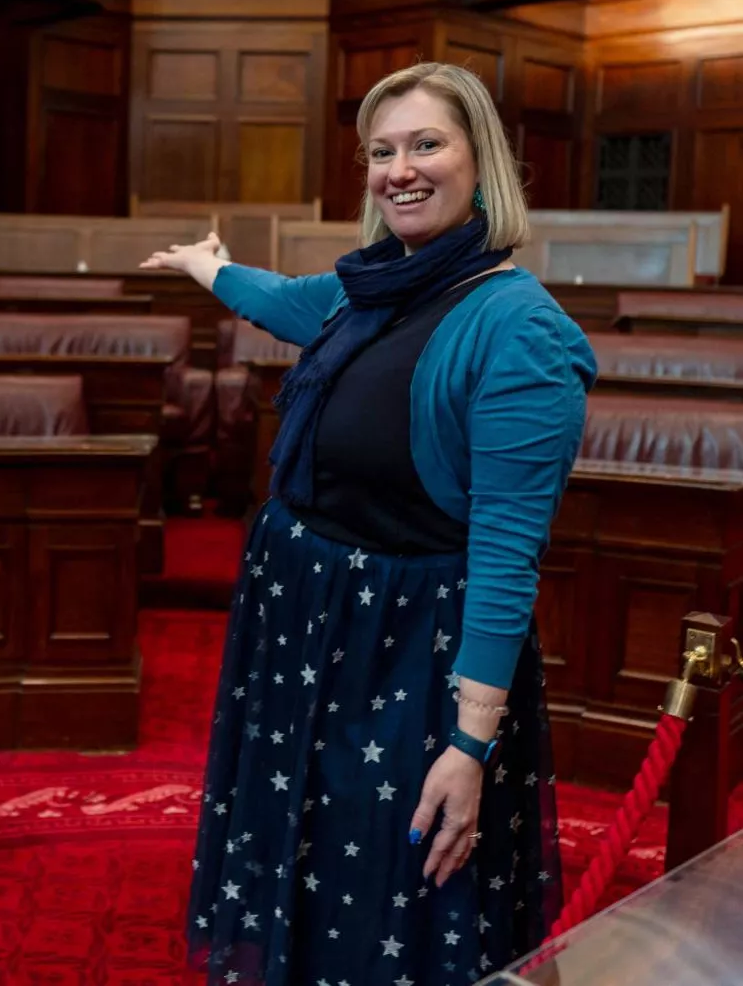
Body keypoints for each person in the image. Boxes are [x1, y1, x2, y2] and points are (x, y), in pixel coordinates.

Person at [140, 63, 596, 986]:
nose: (399, 168)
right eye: (380, 151)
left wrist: (469, 746)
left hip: (406, 650)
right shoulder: (369, 289)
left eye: (426, 143)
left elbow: (505, 557)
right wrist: (208, 267)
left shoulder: (521, 331)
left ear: (482, 163)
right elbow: (281, 302)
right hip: (307, 620)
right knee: (308, 844)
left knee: (392, 875)